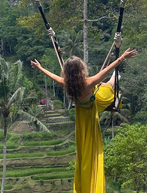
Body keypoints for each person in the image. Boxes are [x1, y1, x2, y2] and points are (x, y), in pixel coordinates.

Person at [31, 48, 137, 193]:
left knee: (85, 151)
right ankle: (114, 79)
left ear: (67, 73)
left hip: (81, 118)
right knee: (105, 88)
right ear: (81, 70)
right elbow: (106, 70)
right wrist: (122, 57)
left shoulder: (66, 84)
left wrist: (39, 68)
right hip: (93, 111)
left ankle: (114, 79)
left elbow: (52, 77)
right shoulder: (88, 82)